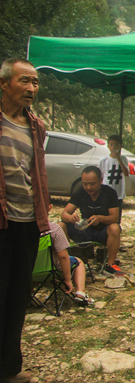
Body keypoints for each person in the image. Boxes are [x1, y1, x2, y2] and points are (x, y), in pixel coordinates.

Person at [0, 58, 50, 383]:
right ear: (4, 84)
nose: (31, 88)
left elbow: (37, 173)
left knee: (18, 295)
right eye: (24, 81)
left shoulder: (36, 127)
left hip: (27, 221)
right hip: (2, 221)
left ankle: (9, 368)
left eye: (35, 82)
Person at [61, 166, 122, 275]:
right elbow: (64, 214)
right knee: (61, 226)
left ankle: (111, 264)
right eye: (85, 184)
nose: (88, 187)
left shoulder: (109, 193)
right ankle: (68, 261)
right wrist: (70, 218)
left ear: (100, 180)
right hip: (85, 230)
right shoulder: (80, 192)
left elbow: (115, 218)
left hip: (102, 231)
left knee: (115, 227)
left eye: (92, 184)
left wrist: (100, 218)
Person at [47, 221, 94, 306]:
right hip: (52, 267)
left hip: (31, 269)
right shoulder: (54, 229)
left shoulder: (24, 229)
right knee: (78, 261)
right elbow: (63, 257)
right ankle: (80, 292)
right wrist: (67, 280)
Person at [97, 134, 129, 222]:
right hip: (106, 191)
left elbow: (126, 173)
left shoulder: (123, 159)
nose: (114, 147)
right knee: (106, 214)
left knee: (117, 216)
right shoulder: (104, 160)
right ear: (108, 146)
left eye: (116, 145)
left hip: (118, 192)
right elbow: (100, 176)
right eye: (111, 144)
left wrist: (119, 159)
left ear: (120, 146)